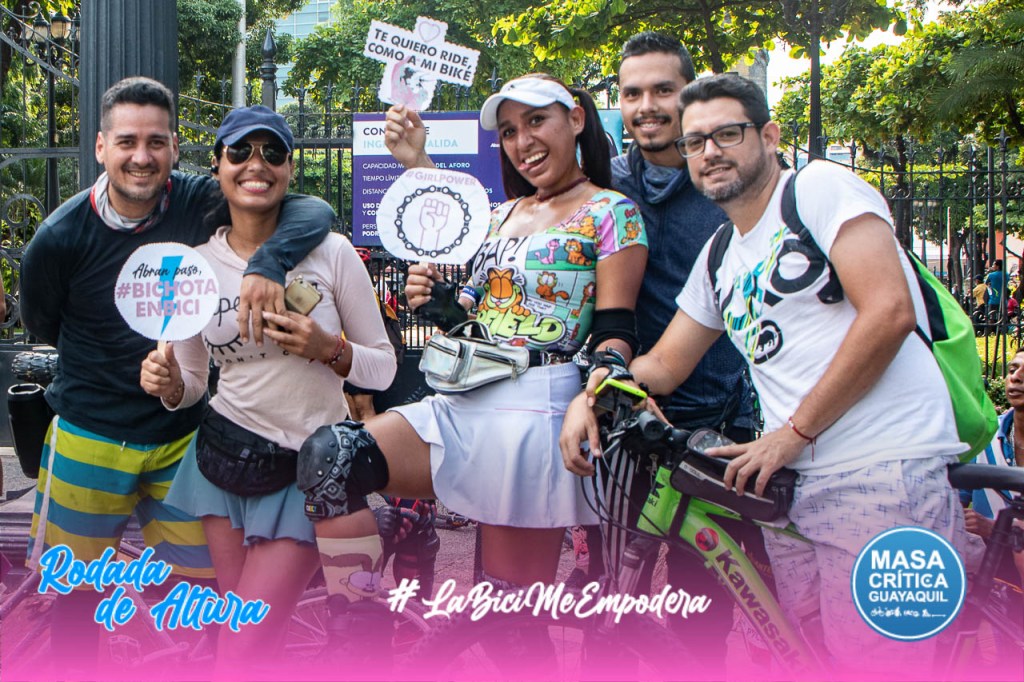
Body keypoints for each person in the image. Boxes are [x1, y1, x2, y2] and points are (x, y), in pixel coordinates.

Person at [563, 74, 970, 677]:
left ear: (770, 136)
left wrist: (793, 434)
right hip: (793, 486)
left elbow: (889, 311)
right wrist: (597, 388)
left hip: (882, 471)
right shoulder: (722, 254)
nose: (709, 152)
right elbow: (667, 364)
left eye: (727, 134)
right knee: (806, 658)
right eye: (694, 142)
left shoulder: (818, 188)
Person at [295, 74, 646, 674]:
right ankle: (361, 645)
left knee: (508, 624)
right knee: (332, 457)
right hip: (462, 400)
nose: (522, 141)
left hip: (537, 410)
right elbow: (470, 317)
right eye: (508, 131)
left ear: (576, 119)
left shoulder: (613, 213)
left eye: (536, 121)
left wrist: (601, 388)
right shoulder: (501, 215)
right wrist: (435, 302)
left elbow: (617, 329)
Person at [19, 78, 333, 676]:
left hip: (183, 442)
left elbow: (310, 208)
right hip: (90, 433)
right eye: (127, 142)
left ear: (175, 147)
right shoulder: (60, 236)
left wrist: (268, 262)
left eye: (156, 142)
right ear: (101, 147)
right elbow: (43, 321)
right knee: (76, 597)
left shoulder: (198, 201)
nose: (142, 157)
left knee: (207, 593)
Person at [138, 106, 396, 674]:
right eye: (240, 151)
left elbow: (382, 368)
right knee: (253, 644)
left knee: (242, 642)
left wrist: (329, 348)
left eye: (272, 152)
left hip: (307, 471)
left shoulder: (332, 252)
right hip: (222, 465)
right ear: (217, 165)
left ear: (289, 169)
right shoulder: (194, 266)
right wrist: (170, 385)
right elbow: (193, 385)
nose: (256, 164)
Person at [580, 34, 765, 669]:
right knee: (609, 597)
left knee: (703, 603)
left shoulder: (724, 180)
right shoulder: (602, 185)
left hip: (717, 420)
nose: (647, 106)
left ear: (688, 95)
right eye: (632, 92)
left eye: (663, 90)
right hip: (624, 416)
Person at [961, 349, 1024, 587]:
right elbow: (956, 501)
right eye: (1012, 369)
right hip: (989, 575)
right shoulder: (984, 437)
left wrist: (997, 530)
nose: (1016, 377)